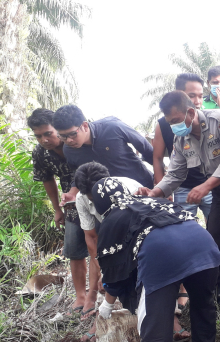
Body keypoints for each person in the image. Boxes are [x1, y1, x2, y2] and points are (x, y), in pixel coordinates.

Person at [88, 177, 220, 342]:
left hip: (162, 256)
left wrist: (106, 307)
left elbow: (114, 276)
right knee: (203, 303)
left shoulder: (111, 219)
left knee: (156, 334)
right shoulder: (150, 201)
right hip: (204, 246)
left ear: (97, 205)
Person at [142, 91, 220, 307]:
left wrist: (206, 186)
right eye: (169, 122)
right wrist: (155, 192)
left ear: (190, 112)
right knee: (215, 240)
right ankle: (214, 297)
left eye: (175, 120)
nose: (173, 126)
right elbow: (175, 173)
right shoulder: (180, 139)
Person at [53, 105, 156, 314]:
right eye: (63, 137)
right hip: (106, 207)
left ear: (84, 125)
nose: (69, 141)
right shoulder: (69, 150)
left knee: (149, 243)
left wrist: (161, 187)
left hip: (140, 194)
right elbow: (79, 175)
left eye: (71, 135)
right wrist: (73, 192)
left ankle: (173, 293)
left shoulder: (113, 128)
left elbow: (149, 151)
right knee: (110, 247)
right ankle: (103, 296)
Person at [73, 162, 191, 342]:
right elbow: (91, 237)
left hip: (143, 237)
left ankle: (171, 319)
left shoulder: (130, 188)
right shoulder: (81, 199)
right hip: (112, 237)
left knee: (150, 275)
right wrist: (103, 269)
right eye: (91, 197)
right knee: (116, 278)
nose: (95, 201)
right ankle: (102, 320)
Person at [28, 108, 88, 315]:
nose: (44, 139)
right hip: (70, 204)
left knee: (103, 247)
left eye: (48, 133)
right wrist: (57, 209)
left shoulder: (77, 140)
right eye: (38, 136)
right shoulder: (40, 152)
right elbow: (47, 179)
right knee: (73, 249)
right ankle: (81, 295)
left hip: (95, 197)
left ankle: (103, 292)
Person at [152, 73, 213, 221]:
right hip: (182, 187)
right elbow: (158, 158)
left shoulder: (211, 121)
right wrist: (163, 192)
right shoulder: (164, 125)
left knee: (217, 229)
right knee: (184, 228)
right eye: (191, 96)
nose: (197, 101)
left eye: (200, 95)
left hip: (211, 186)